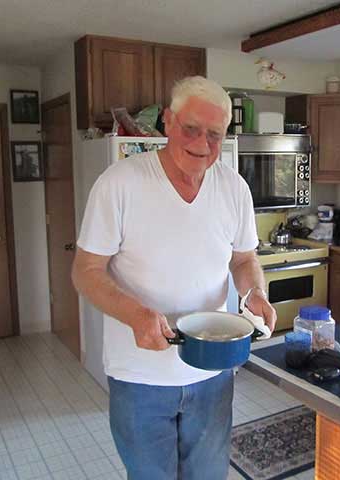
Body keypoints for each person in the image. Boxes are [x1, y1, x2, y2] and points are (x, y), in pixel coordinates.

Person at [71, 76, 276, 480]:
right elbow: (86, 271)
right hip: (140, 376)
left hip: (213, 371)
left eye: (215, 134)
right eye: (191, 128)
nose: (202, 143)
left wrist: (254, 292)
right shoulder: (120, 183)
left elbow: (244, 259)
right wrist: (135, 315)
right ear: (168, 120)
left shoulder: (234, 188)